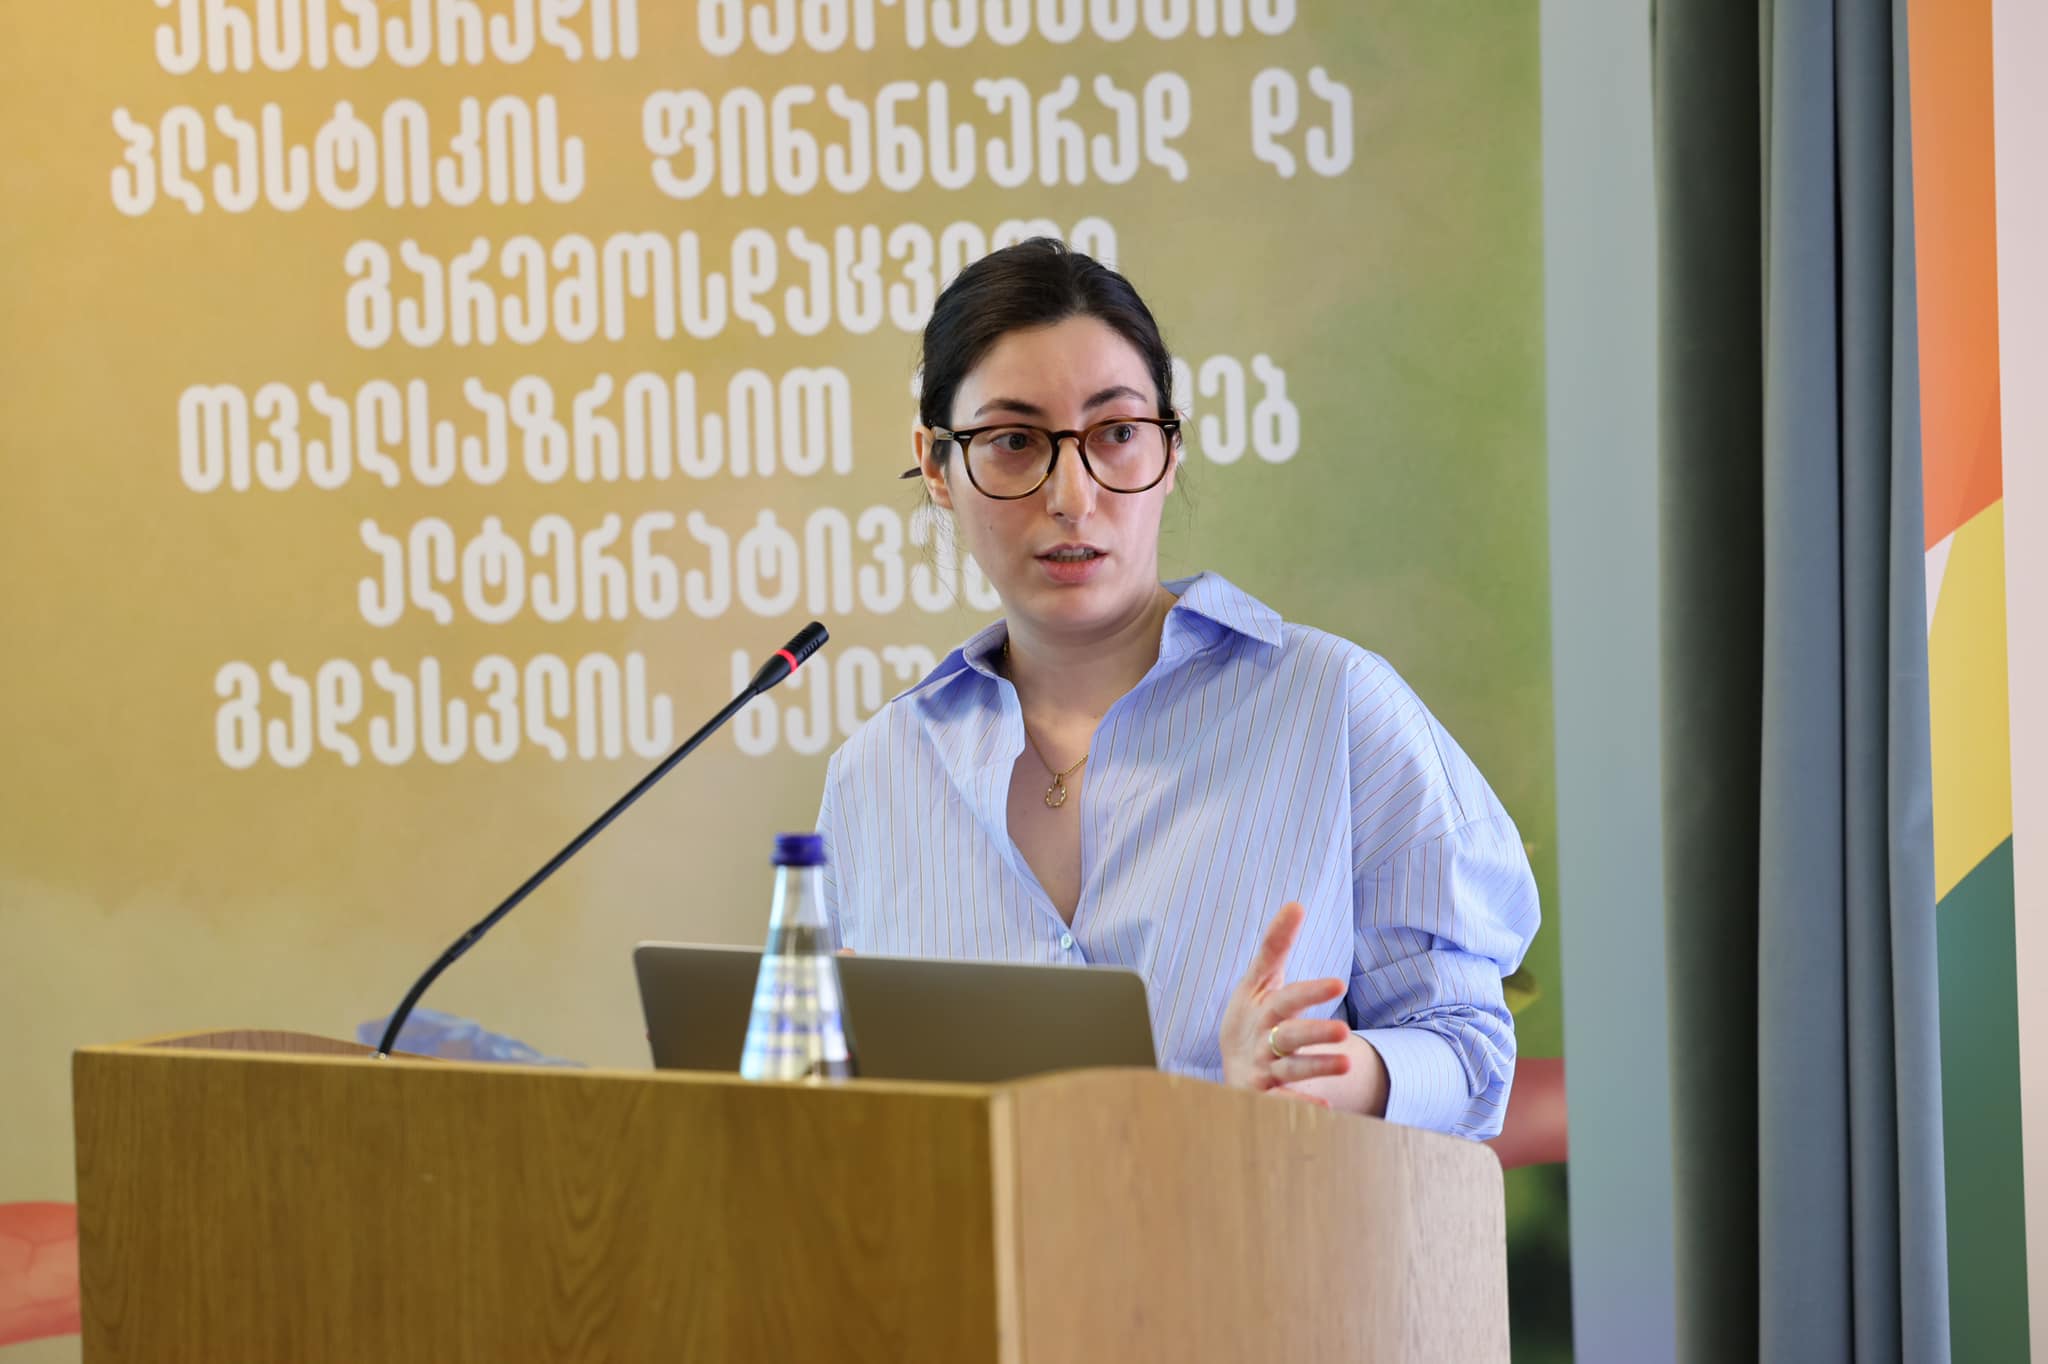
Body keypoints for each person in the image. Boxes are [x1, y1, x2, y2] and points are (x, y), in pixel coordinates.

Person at [814, 238, 1539, 1138]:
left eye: (1116, 434)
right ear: (937, 466)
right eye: (1014, 442)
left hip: (1260, 1227)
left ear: (1170, 443)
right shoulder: (877, 773)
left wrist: (1331, 1076)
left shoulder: (1333, 705)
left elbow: (1470, 1049)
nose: (1072, 496)